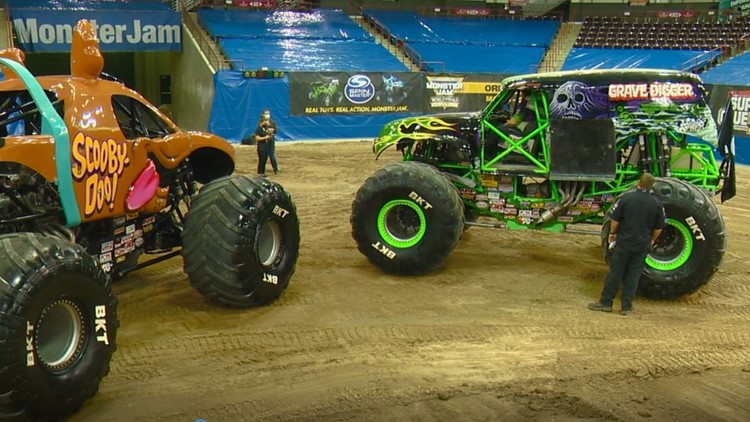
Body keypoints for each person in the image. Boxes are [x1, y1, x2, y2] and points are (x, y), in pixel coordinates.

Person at [588, 173, 666, 316]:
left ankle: (606, 302)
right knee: (633, 275)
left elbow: (615, 219)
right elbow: (659, 227)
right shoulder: (657, 203)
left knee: (615, 272)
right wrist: (652, 240)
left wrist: (612, 233)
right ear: (651, 186)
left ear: (638, 183)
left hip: (624, 242)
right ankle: (626, 307)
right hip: (642, 244)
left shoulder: (626, 198)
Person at [255, 109, 278, 177]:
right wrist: (266, 137)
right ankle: (260, 174)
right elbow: (257, 138)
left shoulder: (272, 123)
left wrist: (271, 133)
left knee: (271, 157)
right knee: (262, 160)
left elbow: (275, 131)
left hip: (269, 144)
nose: (266, 122)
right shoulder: (259, 128)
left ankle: (275, 169)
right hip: (262, 146)